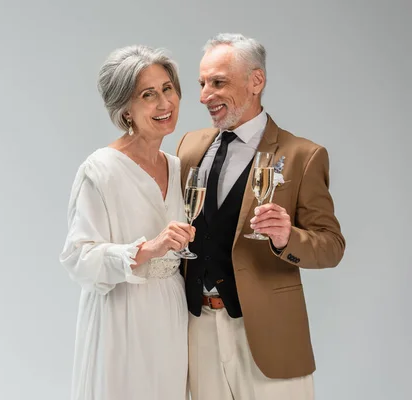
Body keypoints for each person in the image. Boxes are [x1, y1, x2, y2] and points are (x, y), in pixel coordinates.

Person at [176, 33, 346, 400]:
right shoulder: (189, 146)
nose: (205, 95)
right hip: (197, 328)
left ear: (256, 81)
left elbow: (331, 246)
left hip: (268, 333)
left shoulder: (303, 155)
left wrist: (288, 238)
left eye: (218, 82)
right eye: (202, 83)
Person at [60, 45, 195, 400]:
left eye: (168, 89)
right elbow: (78, 259)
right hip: (121, 316)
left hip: (170, 313)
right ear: (125, 110)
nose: (164, 103)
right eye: (147, 95)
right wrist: (149, 248)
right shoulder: (99, 170)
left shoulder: (176, 166)